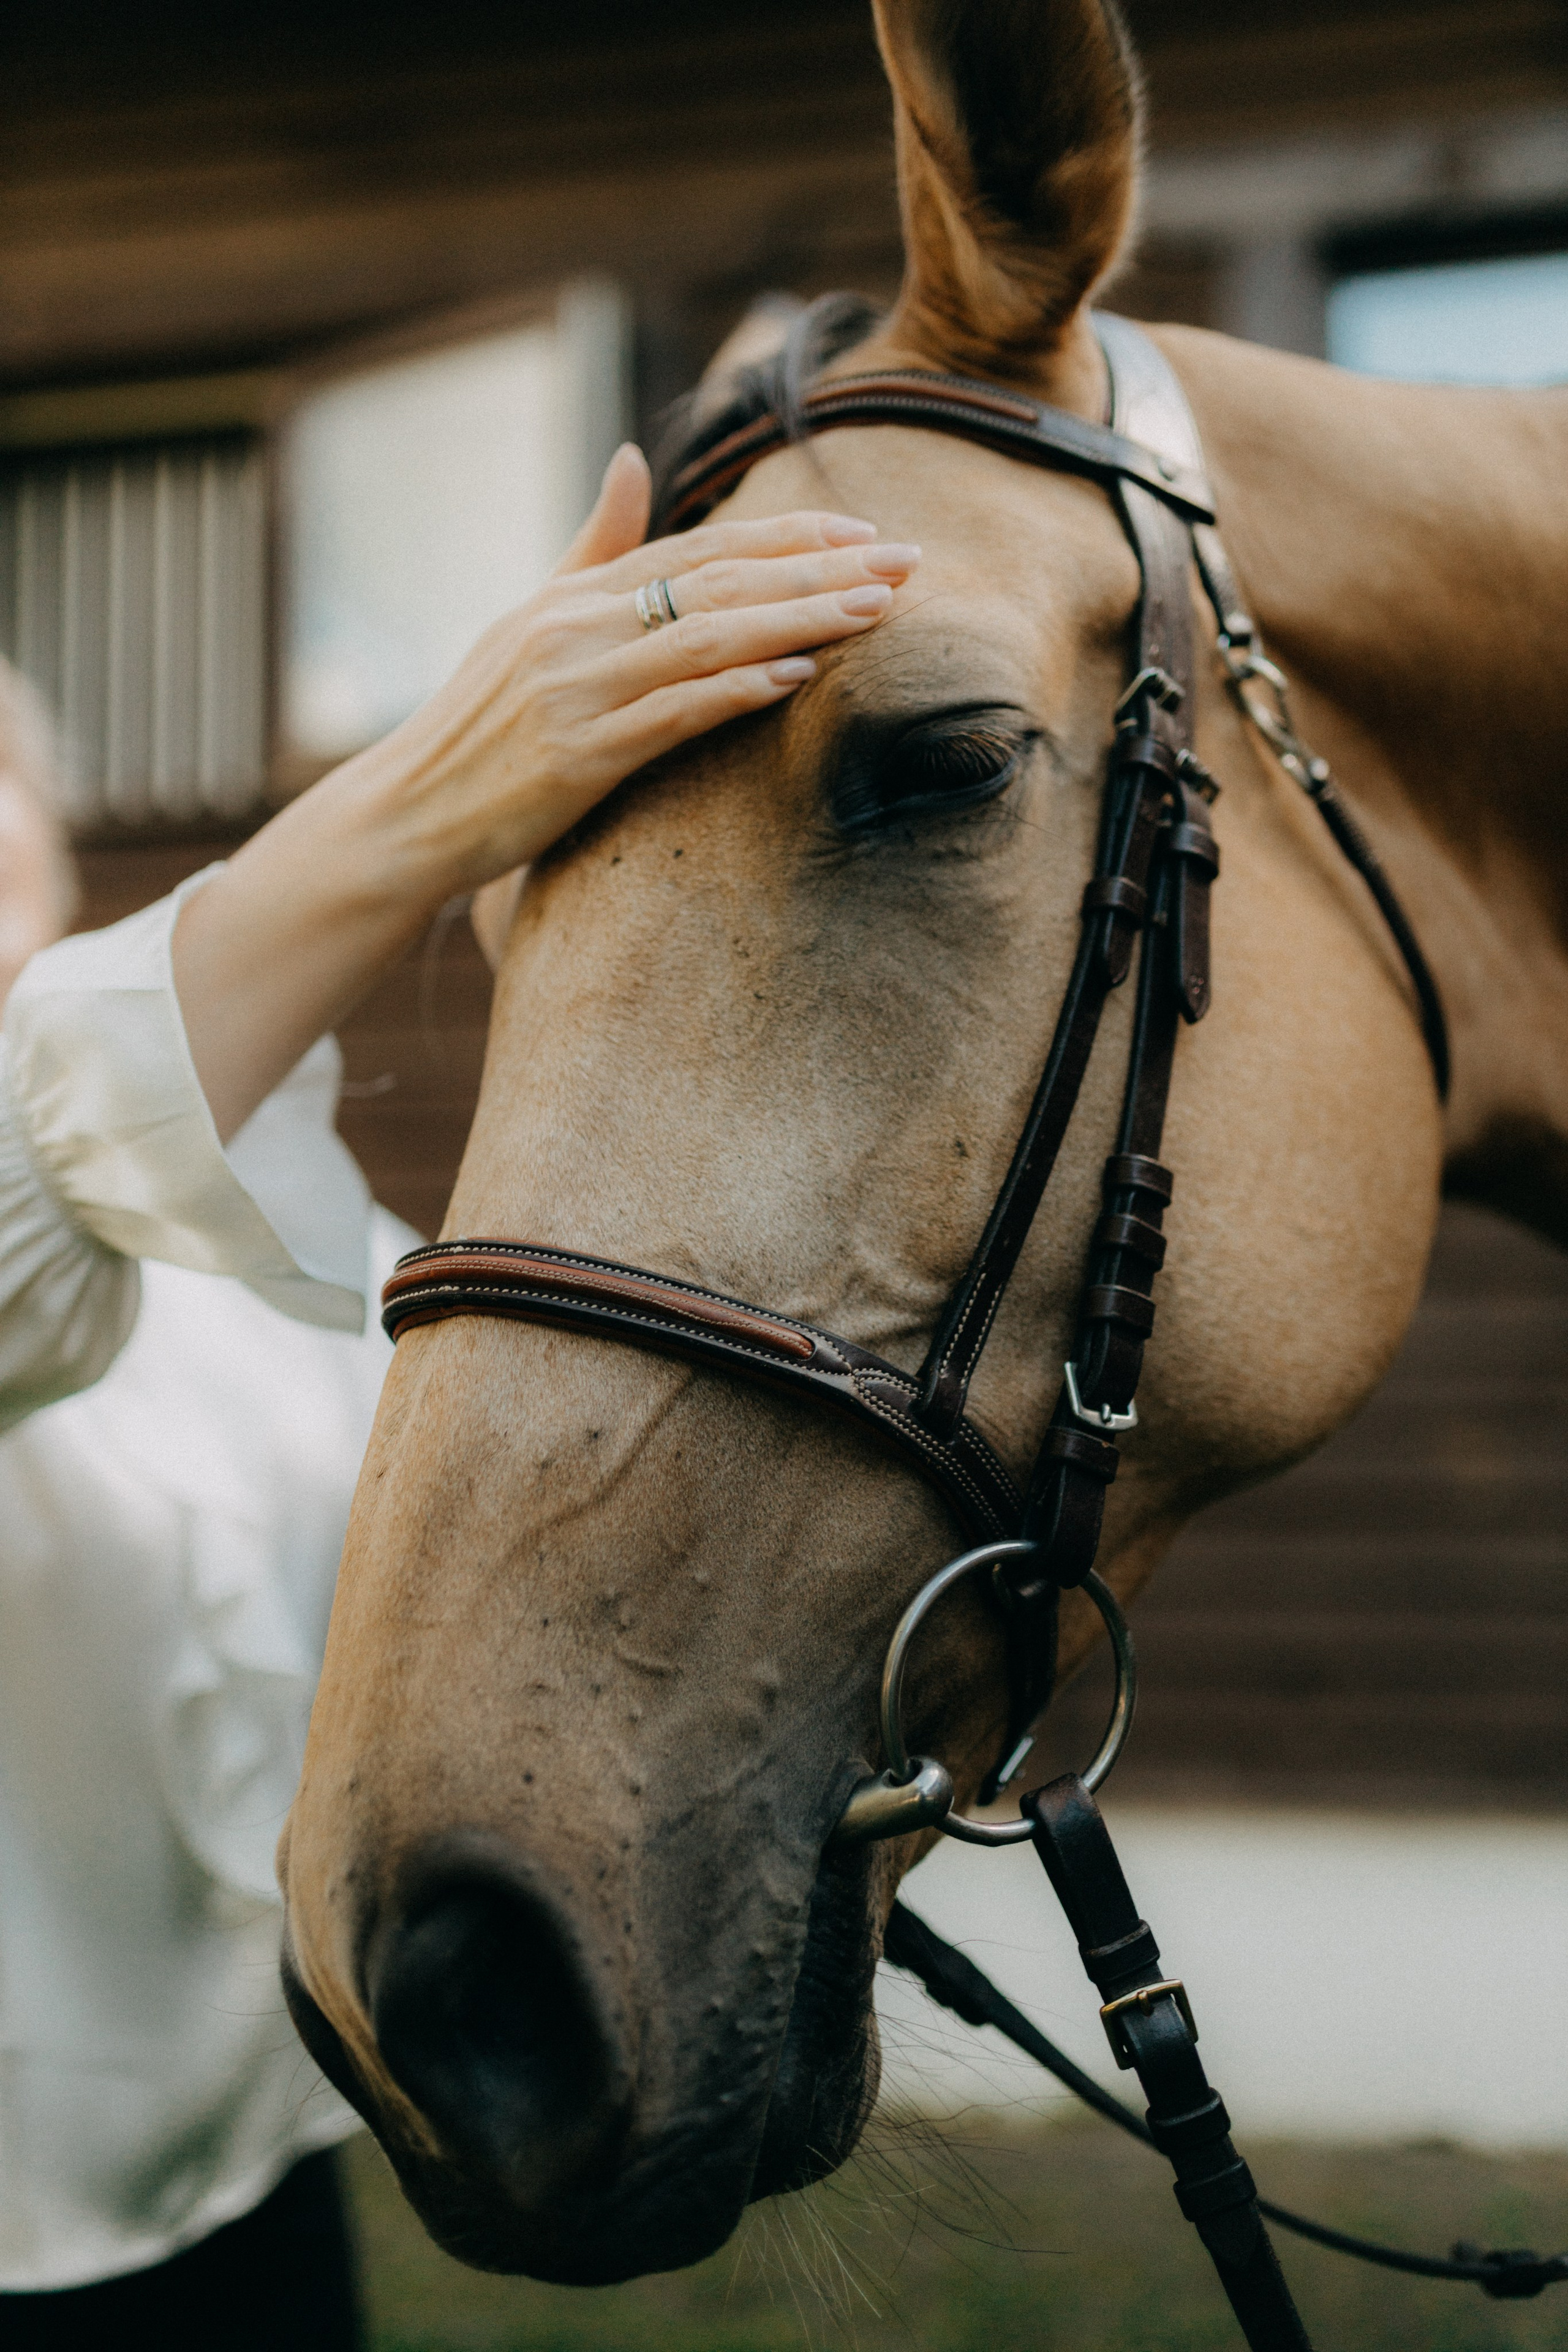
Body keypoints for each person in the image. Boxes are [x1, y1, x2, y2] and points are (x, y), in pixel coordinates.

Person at [0, 445, 919, 2346]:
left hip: (254, 2200)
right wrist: (422, 795)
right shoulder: (66, 1163)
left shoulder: (248, 1233)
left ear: (48, 825)